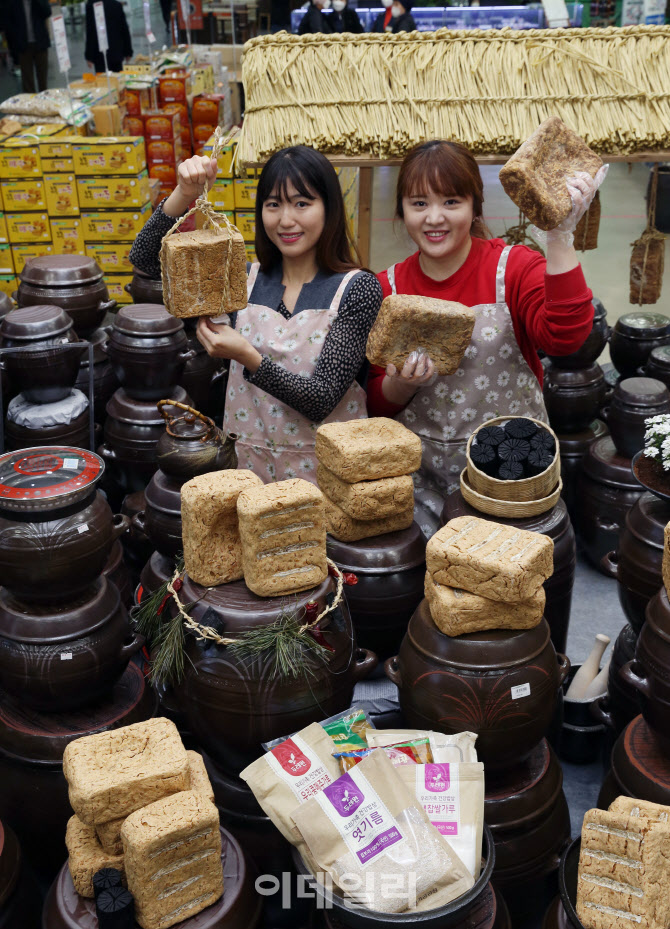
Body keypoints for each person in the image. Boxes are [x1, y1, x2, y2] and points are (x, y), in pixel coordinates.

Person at [366, 139, 606, 534]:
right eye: (419, 203)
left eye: (451, 202)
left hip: (511, 476)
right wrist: (399, 383)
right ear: (402, 211)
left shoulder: (513, 267)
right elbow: (375, 403)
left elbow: (566, 338)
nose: (434, 218)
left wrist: (561, 237)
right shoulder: (387, 287)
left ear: (475, 206)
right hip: (421, 482)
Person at [129, 146, 383, 483]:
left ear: (329, 208)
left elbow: (320, 399)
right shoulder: (239, 282)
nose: (285, 220)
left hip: (330, 480)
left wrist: (248, 357)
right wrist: (184, 193)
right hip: (251, 477)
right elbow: (146, 261)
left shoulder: (356, 288)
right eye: (273, 204)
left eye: (302, 203)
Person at [0, 0, 51, 93]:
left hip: (41, 43)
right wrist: (14, 45)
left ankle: (45, 103)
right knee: (27, 82)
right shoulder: (14, 2)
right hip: (23, 46)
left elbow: (47, 12)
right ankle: (30, 105)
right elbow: (8, 22)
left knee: (43, 80)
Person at [85, 0, 133, 73]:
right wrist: (128, 51)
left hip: (99, 54)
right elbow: (124, 29)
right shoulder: (116, 5)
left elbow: (91, 32)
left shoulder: (91, 5)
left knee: (103, 80)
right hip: (116, 52)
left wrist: (89, 56)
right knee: (117, 79)